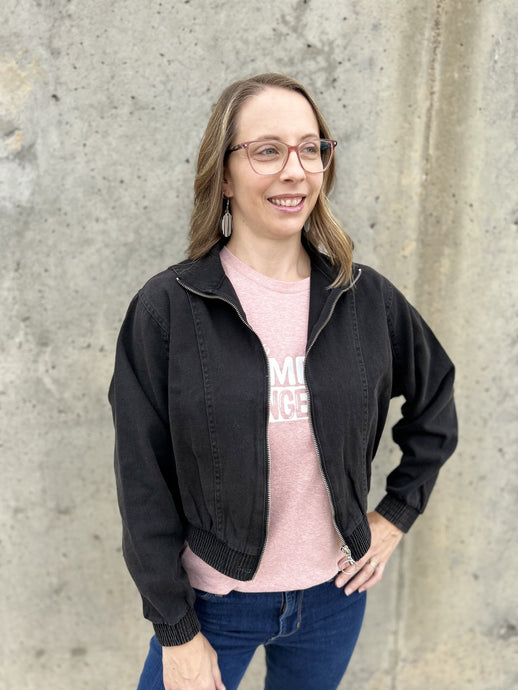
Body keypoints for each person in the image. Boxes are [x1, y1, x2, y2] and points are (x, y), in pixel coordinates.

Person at [109, 73, 458, 690]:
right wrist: (177, 632)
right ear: (223, 175)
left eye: (310, 148)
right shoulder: (169, 309)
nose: (294, 170)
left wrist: (396, 513)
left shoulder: (364, 297)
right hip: (214, 604)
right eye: (267, 150)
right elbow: (142, 479)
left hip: (333, 598)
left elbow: (435, 400)